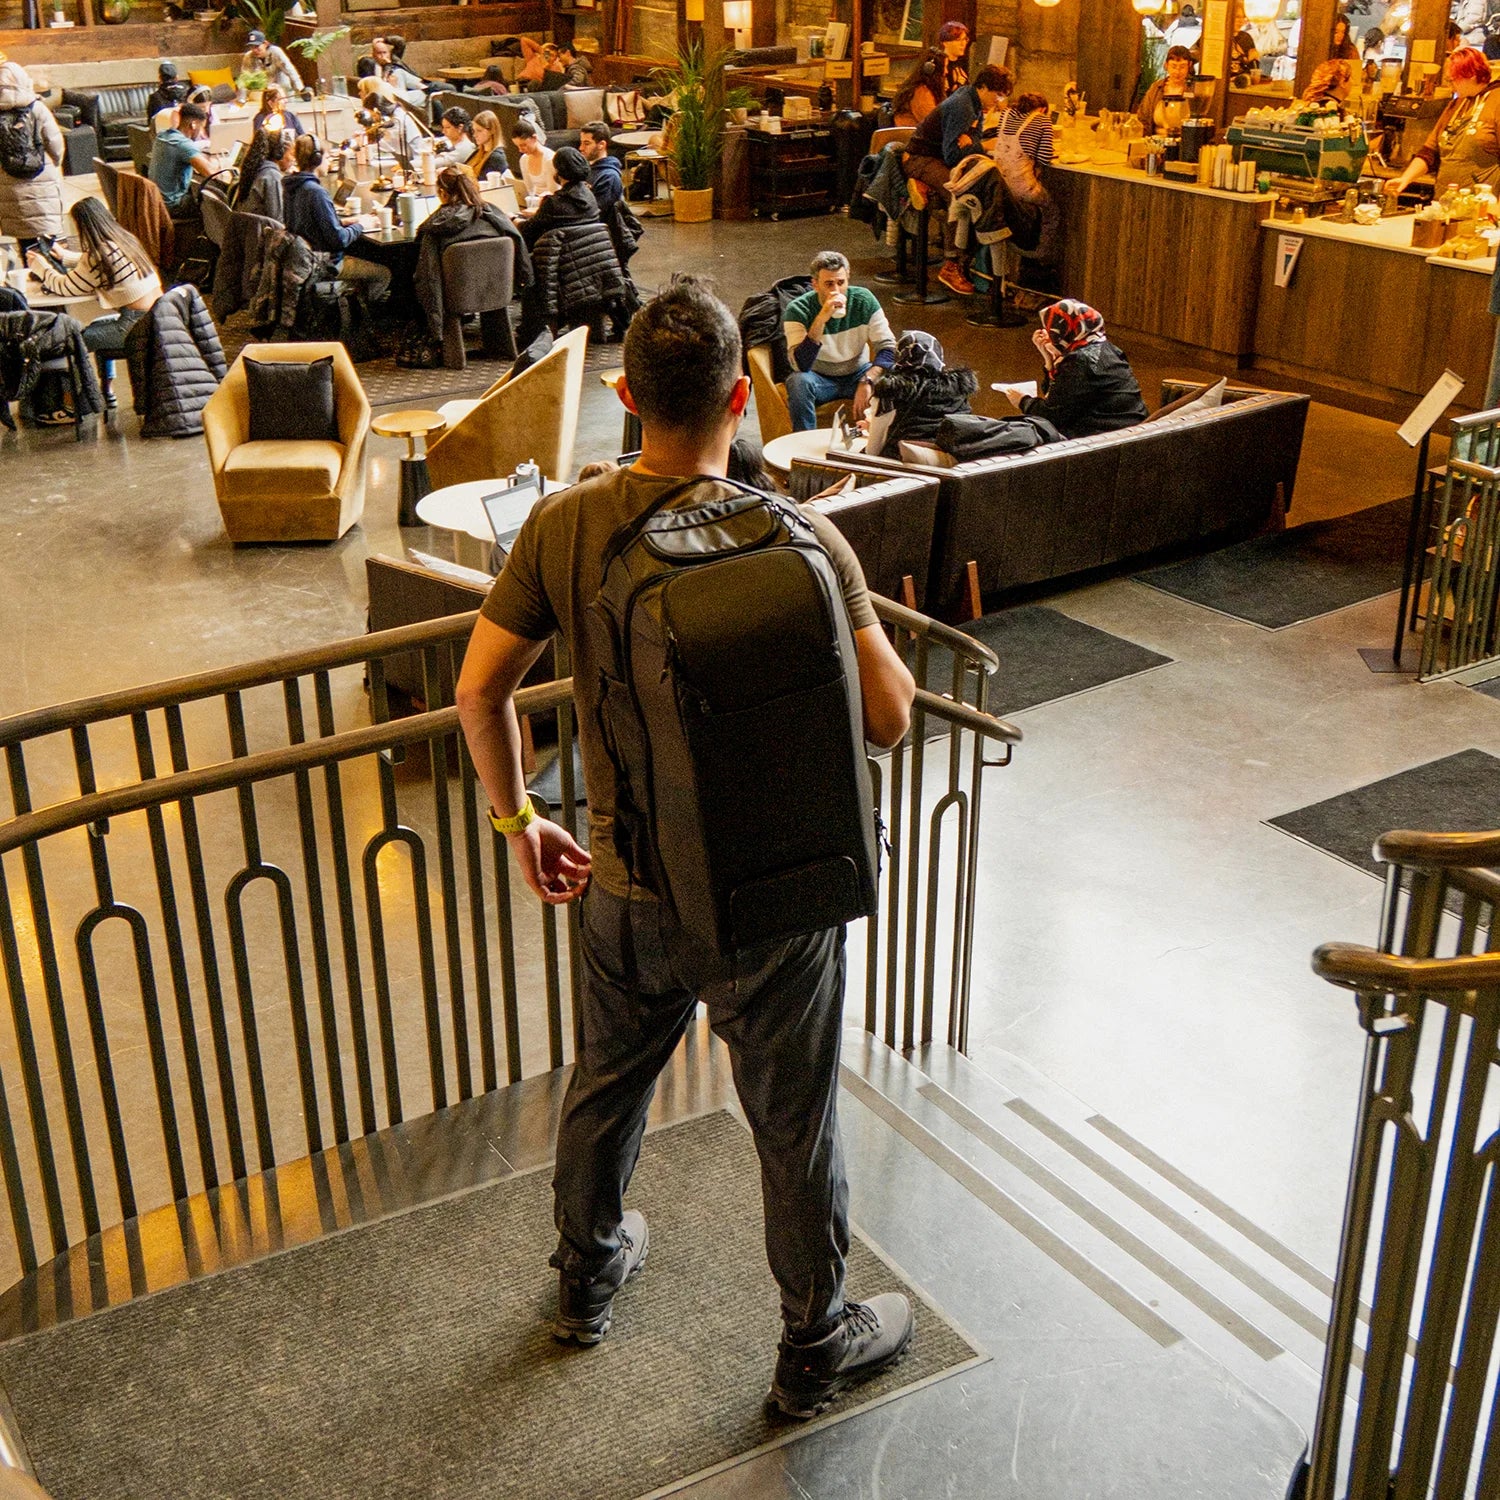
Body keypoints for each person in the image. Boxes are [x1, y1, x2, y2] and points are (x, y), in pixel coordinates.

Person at [453, 273, 916, 1417]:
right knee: (792, 1123)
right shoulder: (800, 532)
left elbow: (480, 689)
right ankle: (815, 1338)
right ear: (744, 400)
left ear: (625, 394)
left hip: (626, 884)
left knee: (605, 1088)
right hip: (775, 904)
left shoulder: (568, 522)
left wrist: (521, 822)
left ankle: (587, 1276)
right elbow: (892, 713)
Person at [25, 196, 161, 408]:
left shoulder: (98, 256)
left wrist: (42, 268)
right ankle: (106, 393)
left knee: (76, 340)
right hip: (156, 317)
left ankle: (75, 402)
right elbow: (96, 262)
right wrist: (65, 256)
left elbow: (64, 286)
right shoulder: (124, 240)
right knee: (97, 328)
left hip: (133, 327)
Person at [902, 63, 1012, 297]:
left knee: (973, 186)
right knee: (959, 192)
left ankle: (966, 261)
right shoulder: (963, 105)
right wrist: (980, 145)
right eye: (997, 94)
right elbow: (953, 154)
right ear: (982, 87)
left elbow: (973, 137)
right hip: (921, 158)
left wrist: (971, 141)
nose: (999, 101)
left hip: (937, 156)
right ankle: (951, 265)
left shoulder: (974, 102)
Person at [782, 250, 896, 432]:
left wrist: (868, 380)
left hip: (858, 372)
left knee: (894, 381)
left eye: (841, 283)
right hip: (820, 377)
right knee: (798, 383)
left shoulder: (864, 300)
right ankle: (804, 444)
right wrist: (821, 319)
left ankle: (879, 442)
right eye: (829, 284)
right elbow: (801, 365)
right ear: (815, 285)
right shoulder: (797, 310)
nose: (836, 290)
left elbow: (888, 348)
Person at [415, 166, 530, 346]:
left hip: (453, 295)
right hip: (498, 288)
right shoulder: (494, 216)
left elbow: (428, 276)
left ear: (443, 193)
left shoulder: (436, 230)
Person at [1003, 299, 1146, 440]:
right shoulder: (1108, 349)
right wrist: (1049, 361)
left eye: (1050, 329)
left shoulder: (1079, 361)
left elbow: (1050, 415)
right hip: (1132, 432)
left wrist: (1022, 400)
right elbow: (1056, 397)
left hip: (1108, 439)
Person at [282, 134, 391, 301]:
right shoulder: (316, 192)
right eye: (327, 157)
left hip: (304, 260)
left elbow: (310, 223)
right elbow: (338, 240)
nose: (329, 162)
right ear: (317, 159)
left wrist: (345, 222)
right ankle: (365, 320)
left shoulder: (292, 186)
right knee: (383, 273)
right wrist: (361, 225)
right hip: (326, 263)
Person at [1385, 46, 1500, 196]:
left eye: (1453, 80)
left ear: (1471, 75)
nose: (1450, 86)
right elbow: (1429, 152)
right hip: (1444, 200)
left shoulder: (1496, 102)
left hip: (1481, 207)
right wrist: (1405, 179)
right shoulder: (1456, 104)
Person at [864, 330, 976, 457]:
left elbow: (873, 451)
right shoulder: (959, 388)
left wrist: (873, 428)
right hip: (953, 458)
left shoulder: (891, 391)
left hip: (904, 460)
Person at [993, 90, 1059, 278]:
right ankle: (1038, 258)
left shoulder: (1005, 115)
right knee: (1052, 212)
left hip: (999, 186)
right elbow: (1045, 158)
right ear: (1042, 109)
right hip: (1023, 188)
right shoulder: (1042, 120)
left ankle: (1015, 262)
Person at [0, 59, 64, 250]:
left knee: (25, 240)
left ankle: (29, 269)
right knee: (47, 237)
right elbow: (55, 143)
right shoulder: (37, 108)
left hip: (8, 182)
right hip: (41, 177)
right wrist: (57, 162)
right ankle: (50, 272)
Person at [517, 144, 596, 247]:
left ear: (558, 172)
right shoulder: (590, 196)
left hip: (561, 255)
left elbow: (528, 230)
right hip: (587, 251)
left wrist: (513, 219)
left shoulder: (553, 203)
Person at [149, 99, 214, 213]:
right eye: (201, 126)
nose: (200, 131)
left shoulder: (162, 136)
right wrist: (217, 161)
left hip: (156, 201)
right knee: (213, 204)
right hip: (173, 205)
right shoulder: (184, 144)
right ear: (193, 124)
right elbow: (211, 173)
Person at [233, 126, 295, 220]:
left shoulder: (257, 169)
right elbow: (278, 220)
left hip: (249, 229)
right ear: (280, 152)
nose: (293, 159)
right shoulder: (272, 176)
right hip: (260, 232)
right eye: (291, 154)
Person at [1137, 45, 1196, 134]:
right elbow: (1143, 117)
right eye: (1173, 66)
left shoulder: (1194, 89)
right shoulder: (1156, 88)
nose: (1177, 71)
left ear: (1189, 66)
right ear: (1166, 65)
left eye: (1182, 67)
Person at [890, 52, 944, 126]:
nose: (946, 71)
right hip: (908, 135)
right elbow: (933, 123)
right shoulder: (922, 93)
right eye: (945, 67)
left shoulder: (929, 90)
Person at [239, 30, 300, 94]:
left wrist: (300, 89)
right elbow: (244, 76)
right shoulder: (248, 56)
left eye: (257, 46)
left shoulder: (276, 52)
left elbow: (290, 70)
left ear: (265, 44)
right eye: (252, 47)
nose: (254, 50)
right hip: (261, 91)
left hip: (281, 89)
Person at [512, 116, 558, 201]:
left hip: (550, 203)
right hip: (535, 201)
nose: (520, 150)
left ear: (534, 138)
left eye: (523, 145)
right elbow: (529, 190)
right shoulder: (524, 159)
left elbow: (554, 192)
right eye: (518, 146)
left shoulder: (549, 160)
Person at [579, 120, 622, 211]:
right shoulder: (583, 170)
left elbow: (599, 212)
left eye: (587, 143)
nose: (581, 148)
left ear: (601, 145)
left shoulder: (609, 177)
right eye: (581, 143)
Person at [467, 110, 508, 181]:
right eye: (474, 131)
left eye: (479, 131)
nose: (475, 135)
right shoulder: (477, 152)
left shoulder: (497, 158)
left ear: (492, 130)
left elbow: (484, 182)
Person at [434, 105, 476, 170]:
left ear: (460, 128)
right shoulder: (451, 142)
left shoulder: (464, 149)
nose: (443, 131)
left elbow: (434, 164)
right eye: (443, 127)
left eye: (448, 127)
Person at [936, 20, 970, 95]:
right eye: (958, 40)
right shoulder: (939, 65)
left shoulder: (961, 64)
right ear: (945, 43)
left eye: (964, 39)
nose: (963, 44)